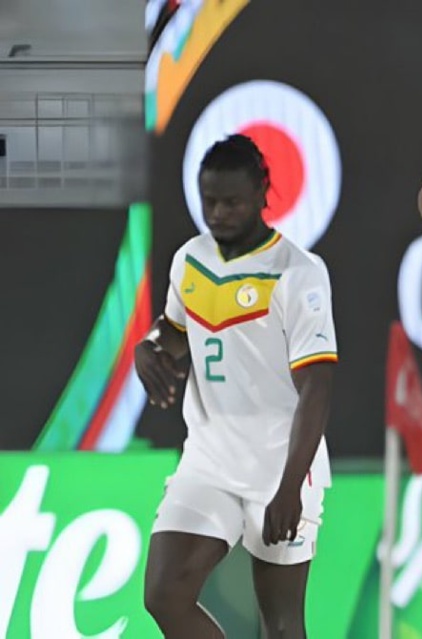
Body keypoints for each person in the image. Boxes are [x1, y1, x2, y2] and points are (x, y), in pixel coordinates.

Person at [135, 134, 337, 639]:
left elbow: (317, 387)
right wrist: (149, 346)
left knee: (282, 623)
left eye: (232, 202)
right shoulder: (190, 259)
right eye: (209, 202)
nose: (218, 213)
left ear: (262, 193)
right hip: (209, 459)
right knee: (163, 594)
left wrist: (291, 486)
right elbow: (176, 331)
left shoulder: (299, 273)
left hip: (281, 466)